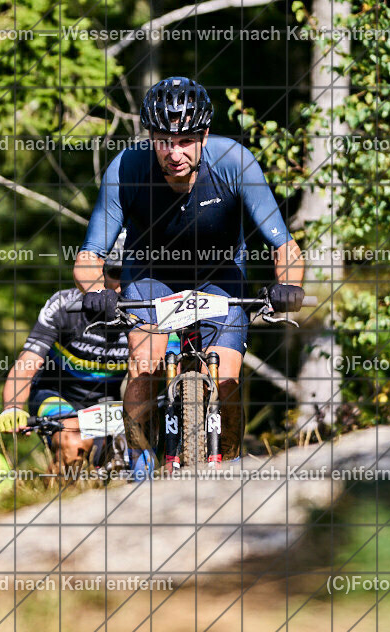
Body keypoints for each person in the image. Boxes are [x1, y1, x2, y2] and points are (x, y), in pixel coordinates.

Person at [73, 76, 306, 477]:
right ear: (150, 138)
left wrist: (289, 286)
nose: (174, 152)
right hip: (150, 274)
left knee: (228, 379)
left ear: (204, 136)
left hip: (220, 276)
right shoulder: (127, 168)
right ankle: (142, 463)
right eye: (164, 140)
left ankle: (229, 470)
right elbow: (89, 255)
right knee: (144, 365)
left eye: (185, 141)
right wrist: (97, 290)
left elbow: (285, 245)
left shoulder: (234, 161)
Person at [0, 255, 130, 477]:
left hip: (106, 400)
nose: (121, 284)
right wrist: (13, 407)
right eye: (115, 274)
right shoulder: (65, 305)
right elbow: (27, 363)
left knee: (120, 458)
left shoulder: (144, 309)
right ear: (98, 272)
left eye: (130, 275)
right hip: (56, 393)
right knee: (72, 438)